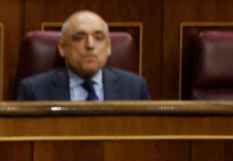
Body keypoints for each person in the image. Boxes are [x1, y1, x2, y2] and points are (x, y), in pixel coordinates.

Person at [17, 10, 150, 101]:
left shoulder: (135, 88)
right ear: (62, 48)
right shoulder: (33, 91)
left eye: (98, 37)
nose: (90, 45)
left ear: (109, 47)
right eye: (79, 38)